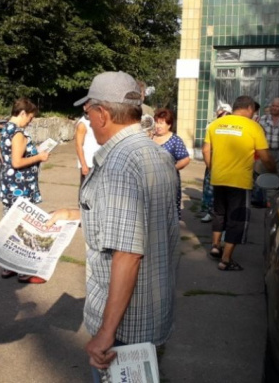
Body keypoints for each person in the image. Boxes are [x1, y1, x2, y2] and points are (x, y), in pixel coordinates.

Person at [46, 71, 180, 382]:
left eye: (89, 112)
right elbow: (137, 222)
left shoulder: (119, 164)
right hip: (152, 314)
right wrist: (74, 212)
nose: (88, 121)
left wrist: (106, 334)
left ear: (103, 114)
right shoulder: (156, 155)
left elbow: (128, 254)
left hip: (123, 330)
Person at [202, 95, 276, 271]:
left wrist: (213, 168)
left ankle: (215, 245)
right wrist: (274, 172)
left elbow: (205, 150)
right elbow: (265, 156)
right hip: (239, 181)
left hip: (218, 178)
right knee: (237, 219)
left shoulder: (215, 124)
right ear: (249, 108)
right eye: (254, 111)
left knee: (219, 212)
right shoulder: (253, 127)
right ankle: (226, 260)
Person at [0, 97, 50, 283]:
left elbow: (3, 158)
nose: (30, 121)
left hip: (8, 186)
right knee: (22, 226)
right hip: (20, 188)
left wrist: (32, 151)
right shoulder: (18, 133)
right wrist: (39, 157)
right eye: (30, 117)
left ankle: (8, 267)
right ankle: (23, 270)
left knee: (9, 225)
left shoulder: (4, 130)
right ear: (22, 113)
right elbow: (17, 162)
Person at [152, 108, 190, 219]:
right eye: (157, 122)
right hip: (151, 180)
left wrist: (171, 168)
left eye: (161, 123)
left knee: (168, 212)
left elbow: (185, 159)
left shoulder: (175, 140)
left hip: (168, 181)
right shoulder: (150, 137)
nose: (158, 126)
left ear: (169, 125)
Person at [199, 103, 232, 223]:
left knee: (224, 191)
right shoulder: (212, 125)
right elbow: (206, 147)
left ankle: (224, 214)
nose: (221, 114)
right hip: (213, 162)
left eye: (225, 113)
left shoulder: (232, 126)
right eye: (220, 112)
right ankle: (209, 211)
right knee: (209, 189)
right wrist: (210, 166)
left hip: (227, 163)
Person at [75, 102, 101, 185]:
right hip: (88, 163)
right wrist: (83, 165)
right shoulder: (82, 124)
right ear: (84, 108)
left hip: (97, 162)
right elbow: (78, 145)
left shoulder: (96, 121)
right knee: (85, 191)